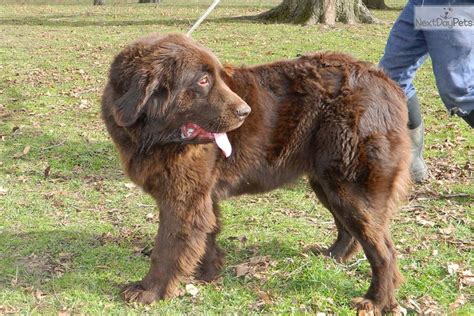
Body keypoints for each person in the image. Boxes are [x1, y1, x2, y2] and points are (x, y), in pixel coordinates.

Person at [379, 0, 474, 183]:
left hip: (451, 5)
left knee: (460, 92)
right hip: (421, 3)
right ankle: (411, 159)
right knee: (391, 80)